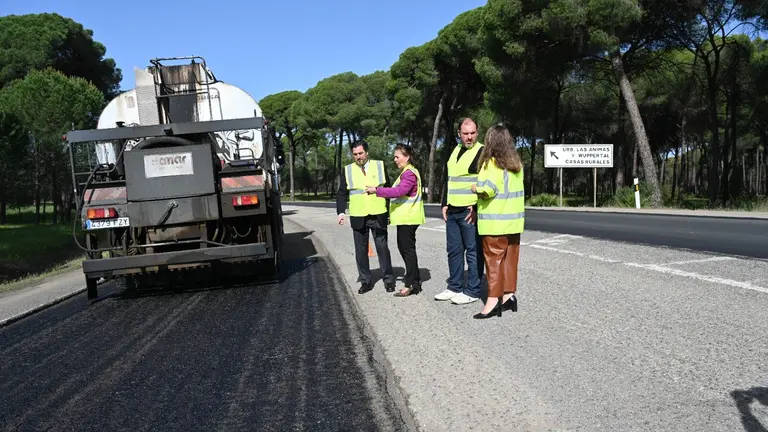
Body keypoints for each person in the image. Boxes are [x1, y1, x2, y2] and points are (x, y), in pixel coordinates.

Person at [470, 124, 525, 319]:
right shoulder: (517, 166)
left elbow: (488, 190)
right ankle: (509, 296)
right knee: (510, 261)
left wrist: (475, 189)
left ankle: (493, 300)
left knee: (493, 262)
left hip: (494, 224)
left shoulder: (490, 164)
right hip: (514, 224)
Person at [434, 117, 485, 305]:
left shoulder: (482, 152)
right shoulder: (455, 150)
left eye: (472, 133)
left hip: (469, 211)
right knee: (454, 251)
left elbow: (488, 181)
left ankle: (472, 290)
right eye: (465, 134)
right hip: (453, 210)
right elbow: (450, 178)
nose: (469, 137)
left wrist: (478, 207)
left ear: (477, 132)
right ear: (459, 134)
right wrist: (444, 203)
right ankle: (454, 287)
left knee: (473, 252)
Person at [365, 144, 425, 297]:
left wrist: (377, 190)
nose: (395, 160)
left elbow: (399, 191)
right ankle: (415, 281)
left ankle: (411, 284)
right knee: (407, 249)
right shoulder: (406, 172)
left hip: (409, 219)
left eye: (397, 157)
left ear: (407, 156)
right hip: (406, 218)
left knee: (408, 250)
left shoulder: (409, 173)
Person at [337, 140, 396, 294]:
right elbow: (342, 192)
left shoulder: (379, 165)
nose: (358, 157)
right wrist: (341, 212)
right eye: (355, 154)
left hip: (378, 214)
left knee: (382, 248)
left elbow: (388, 190)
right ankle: (366, 281)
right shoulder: (347, 170)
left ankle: (389, 280)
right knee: (360, 251)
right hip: (358, 215)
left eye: (361, 153)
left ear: (367, 152)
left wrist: (388, 212)